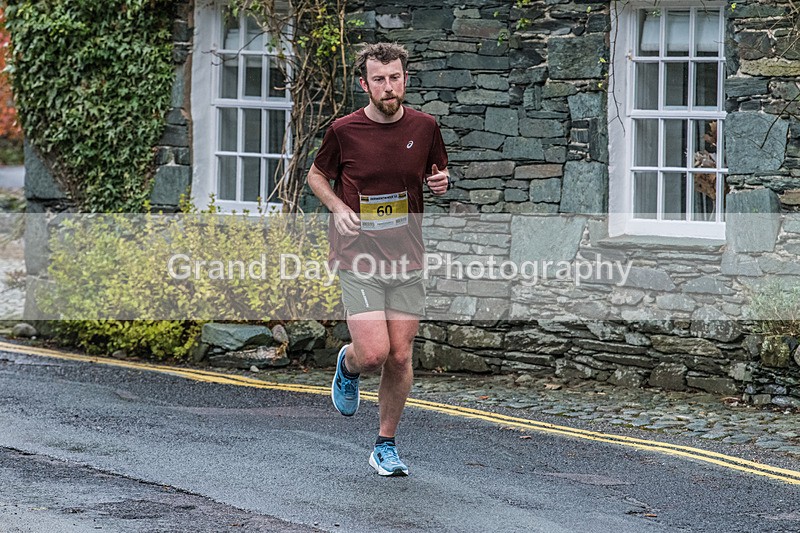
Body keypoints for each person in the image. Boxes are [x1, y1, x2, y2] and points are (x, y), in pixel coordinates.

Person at [306, 42, 450, 476]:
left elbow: (436, 171)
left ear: (405, 79)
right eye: (379, 80)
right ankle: (347, 366)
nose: (388, 88)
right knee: (373, 354)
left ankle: (384, 444)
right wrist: (338, 207)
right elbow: (316, 175)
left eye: (395, 78)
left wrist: (441, 181)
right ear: (364, 83)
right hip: (359, 256)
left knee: (400, 357)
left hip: (407, 257)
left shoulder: (425, 127)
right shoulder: (344, 131)